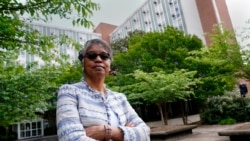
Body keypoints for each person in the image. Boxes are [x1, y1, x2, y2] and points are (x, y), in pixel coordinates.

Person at [56, 39, 150, 141]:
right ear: (83, 63)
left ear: (109, 65)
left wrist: (106, 131)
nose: (98, 59)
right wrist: (126, 133)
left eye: (104, 56)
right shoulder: (69, 92)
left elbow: (145, 133)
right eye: (92, 55)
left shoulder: (120, 98)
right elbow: (70, 137)